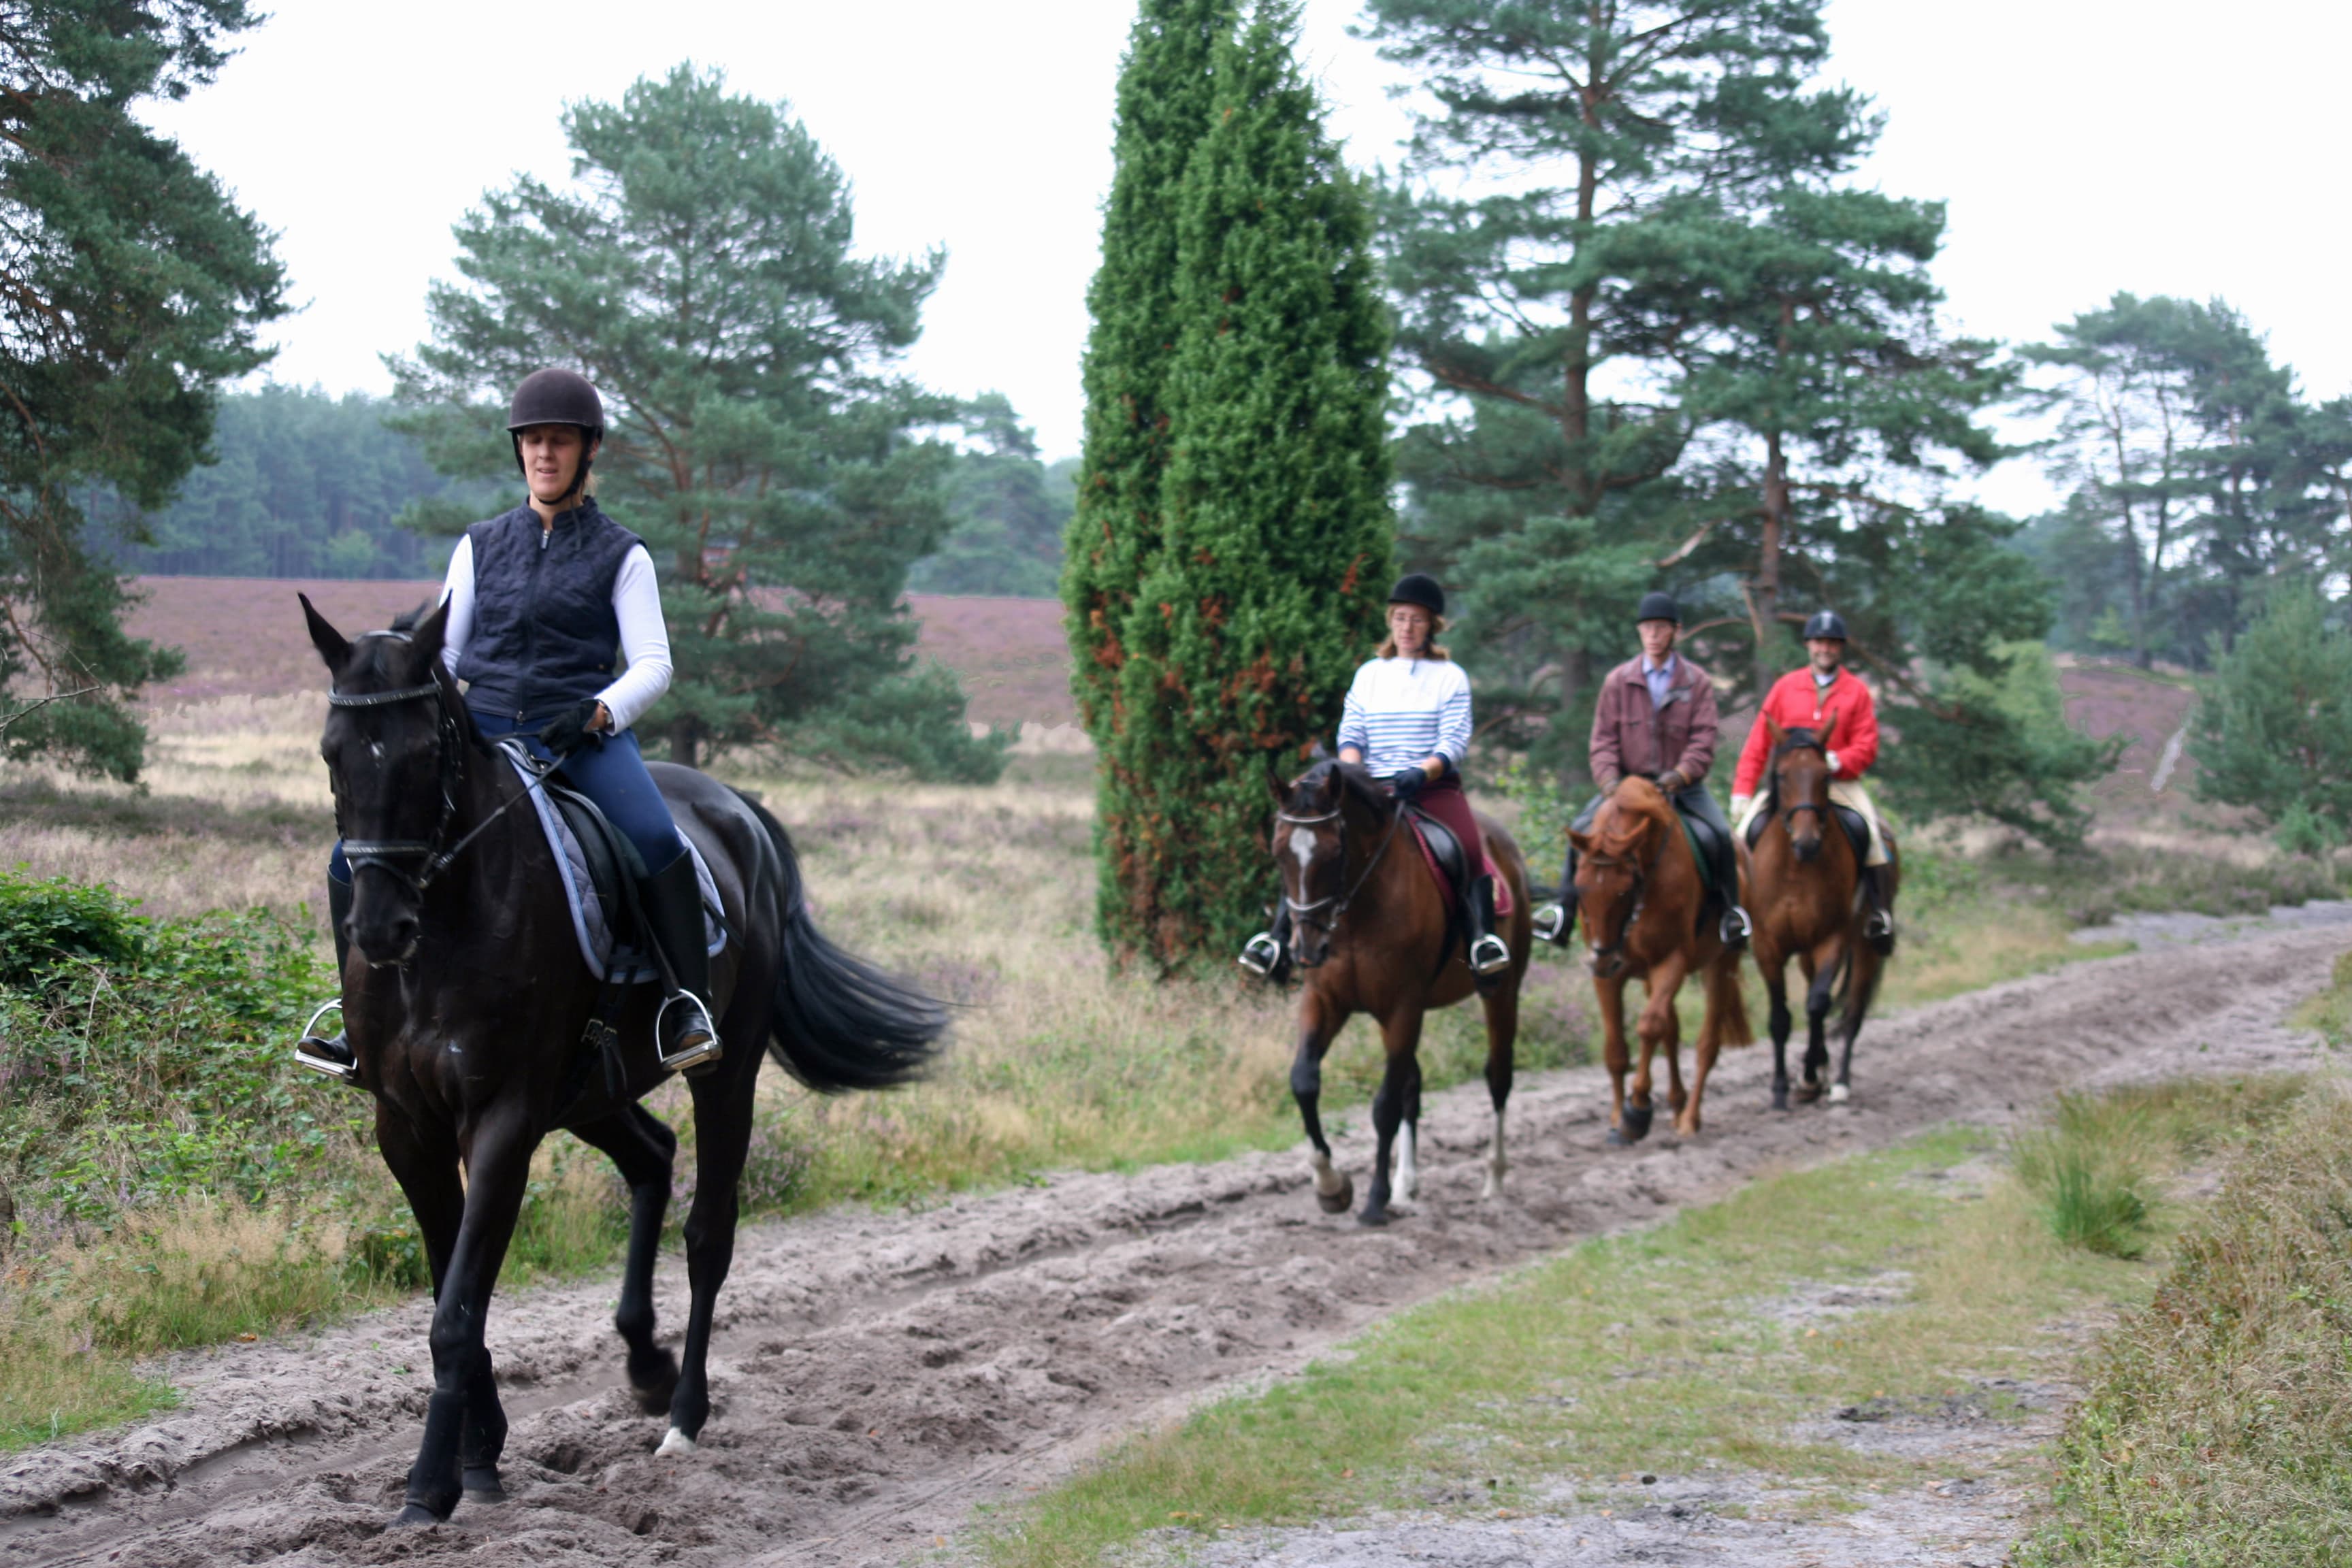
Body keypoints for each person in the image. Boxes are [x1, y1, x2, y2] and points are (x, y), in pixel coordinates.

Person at [297, 368, 719, 1079]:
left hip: (578, 735)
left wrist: (598, 712)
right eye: (532, 441)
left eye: (560, 441)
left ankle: (686, 1006)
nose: (544, 454)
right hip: (484, 728)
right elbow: (446, 653)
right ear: (518, 450)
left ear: (589, 450)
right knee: (350, 856)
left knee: (653, 837)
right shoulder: (480, 545)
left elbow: (654, 664)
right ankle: (355, 1015)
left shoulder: (624, 554)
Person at [1239, 573, 1511, 984]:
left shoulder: (1450, 676)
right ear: (1390, 621)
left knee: (1468, 848)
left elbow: (1454, 740)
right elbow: (1352, 732)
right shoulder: (1370, 673)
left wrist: (1422, 771)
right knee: (1309, 846)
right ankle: (1275, 940)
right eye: (1400, 618)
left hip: (1430, 785)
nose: (1407, 628)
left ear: (1432, 625)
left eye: (1417, 620)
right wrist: (1353, 773)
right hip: (1368, 787)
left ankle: (1482, 941)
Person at [1532, 591, 1750, 951]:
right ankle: (1564, 913)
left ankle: (1731, 915)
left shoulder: (1696, 682)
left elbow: (1703, 739)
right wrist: (1609, 783)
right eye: (1647, 628)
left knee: (1719, 836)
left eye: (1661, 628)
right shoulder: (1618, 680)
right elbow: (1603, 739)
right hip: (1626, 788)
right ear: (1639, 632)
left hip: (1682, 788)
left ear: (1676, 631)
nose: (1653, 635)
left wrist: (1679, 775)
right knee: (1582, 833)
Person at [1729, 608, 1896, 953]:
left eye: (1832, 643)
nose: (1825, 648)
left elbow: (1867, 744)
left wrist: (1839, 761)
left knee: (1872, 834)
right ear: (1809, 645)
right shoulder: (1785, 688)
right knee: (1743, 836)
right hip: (1790, 786)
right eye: (1820, 642)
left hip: (1838, 781)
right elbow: (1759, 742)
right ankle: (1738, 915)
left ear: (1841, 647)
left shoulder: (1857, 692)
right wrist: (1743, 791)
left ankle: (1878, 914)